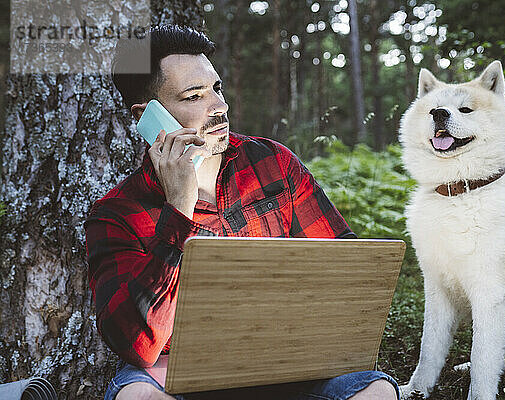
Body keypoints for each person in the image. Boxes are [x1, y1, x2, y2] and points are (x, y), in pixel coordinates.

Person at [85, 24, 399, 400]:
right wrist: (178, 209)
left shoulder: (273, 163)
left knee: (375, 391)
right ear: (150, 117)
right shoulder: (116, 213)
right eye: (194, 96)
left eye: (216, 88)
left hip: (289, 362)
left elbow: (351, 277)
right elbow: (138, 345)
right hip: (178, 374)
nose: (219, 106)